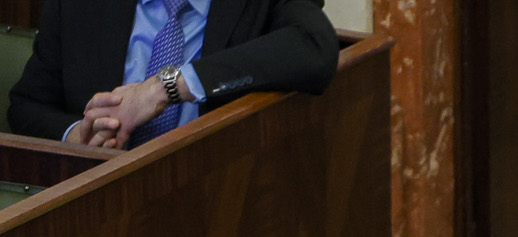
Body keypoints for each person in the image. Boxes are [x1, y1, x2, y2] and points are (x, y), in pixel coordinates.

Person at [9, 0, 340, 148]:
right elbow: (27, 107)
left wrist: (165, 87)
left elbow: (314, 48)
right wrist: (78, 136)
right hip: (98, 210)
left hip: (216, 204)